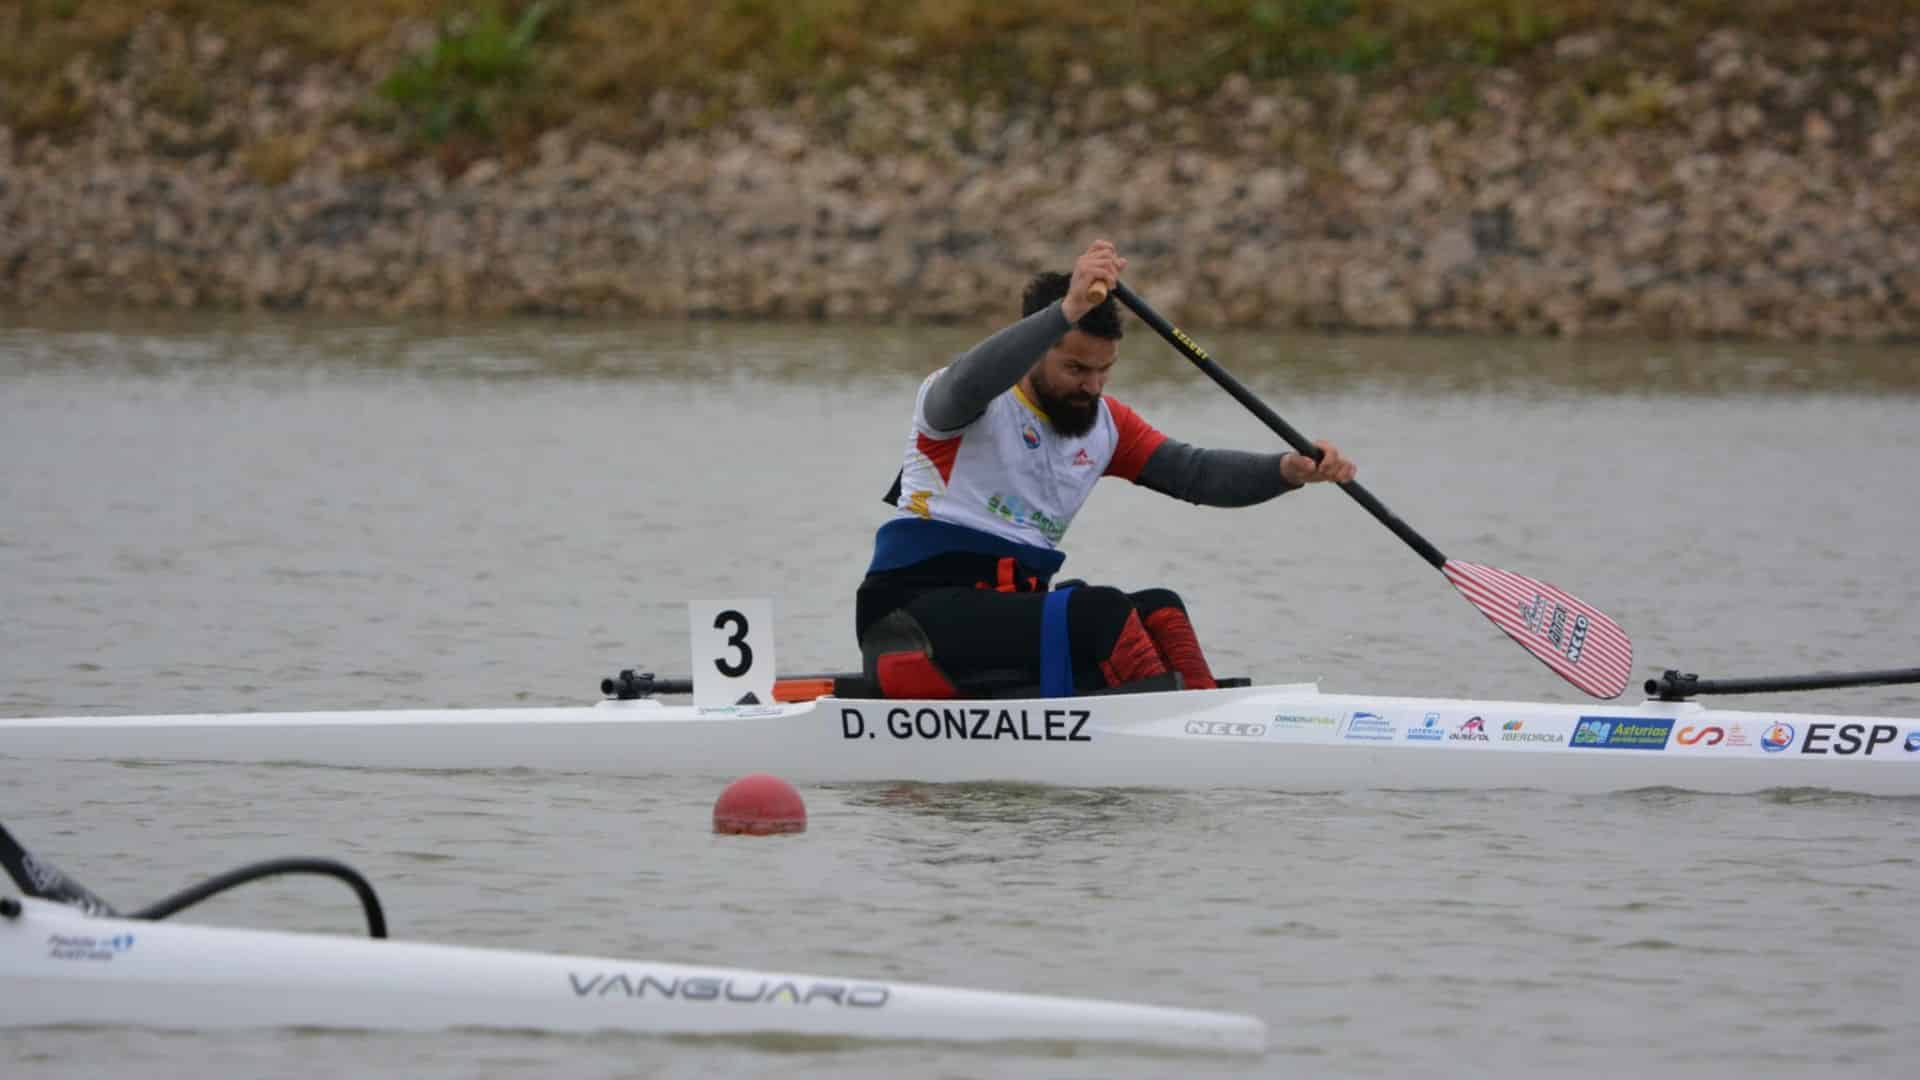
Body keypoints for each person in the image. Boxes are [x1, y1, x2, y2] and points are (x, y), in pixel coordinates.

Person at [855, 240, 1357, 699]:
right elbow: (971, 377)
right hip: (912, 614)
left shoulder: (1106, 427)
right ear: (1034, 351)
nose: (1092, 387)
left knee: (1161, 608)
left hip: (1003, 615)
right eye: (1076, 369)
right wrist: (1068, 308)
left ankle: (1203, 714)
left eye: (1103, 371)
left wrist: (1289, 470)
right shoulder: (961, 402)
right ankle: (1177, 730)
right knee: (1101, 615)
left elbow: (1196, 473)